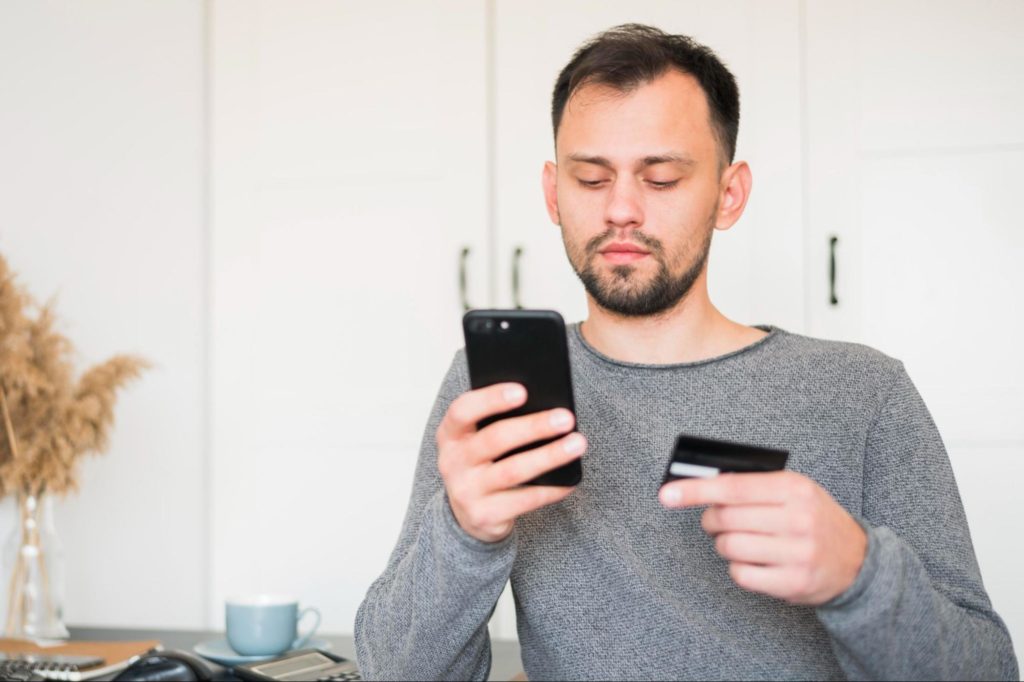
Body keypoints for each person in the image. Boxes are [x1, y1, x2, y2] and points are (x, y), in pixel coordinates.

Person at [354, 24, 1018, 680]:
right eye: (590, 179)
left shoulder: (864, 394)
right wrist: (465, 532)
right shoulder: (496, 396)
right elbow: (398, 670)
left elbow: (987, 671)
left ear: (729, 195)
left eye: (662, 178)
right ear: (553, 194)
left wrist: (859, 575)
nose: (621, 209)